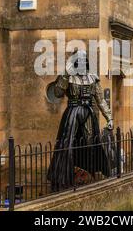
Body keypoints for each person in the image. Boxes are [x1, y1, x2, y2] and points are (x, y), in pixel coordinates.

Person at [47, 50, 114, 191]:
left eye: (85, 60)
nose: (83, 63)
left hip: (88, 112)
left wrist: (109, 117)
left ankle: (89, 172)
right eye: (80, 61)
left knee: (90, 143)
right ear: (76, 63)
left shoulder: (93, 78)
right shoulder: (68, 77)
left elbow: (101, 100)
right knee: (67, 144)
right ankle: (63, 177)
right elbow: (58, 93)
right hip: (72, 112)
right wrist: (65, 74)